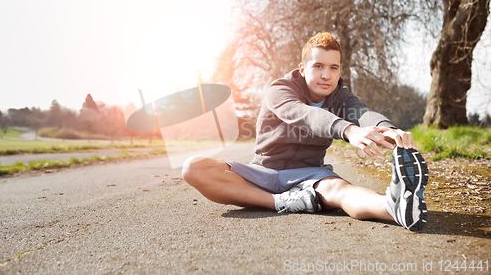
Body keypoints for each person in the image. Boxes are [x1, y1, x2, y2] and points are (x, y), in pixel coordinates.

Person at [182, 32, 428, 231]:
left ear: (340, 71)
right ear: (302, 69)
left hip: (309, 176)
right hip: (263, 172)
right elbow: (302, 113)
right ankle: (280, 203)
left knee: (340, 191)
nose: (326, 75)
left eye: (334, 67)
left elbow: (361, 113)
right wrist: (349, 130)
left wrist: (388, 128)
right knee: (193, 167)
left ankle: (394, 207)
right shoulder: (280, 90)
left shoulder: (341, 97)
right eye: (318, 66)